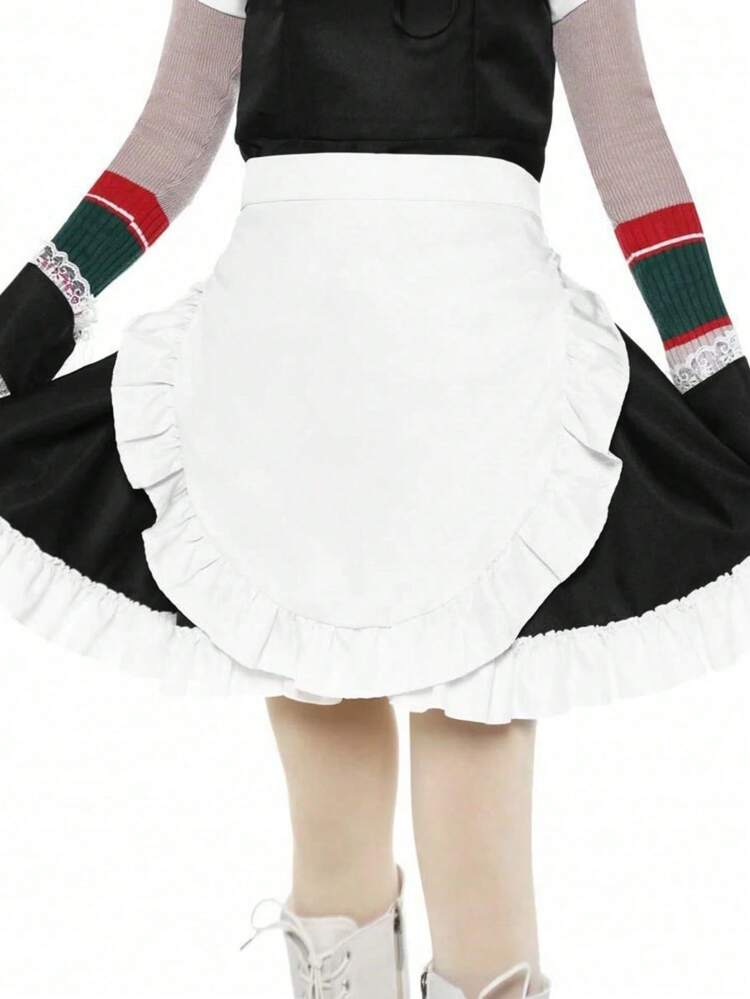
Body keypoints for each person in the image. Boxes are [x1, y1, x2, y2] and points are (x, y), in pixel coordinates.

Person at [1, 2, 749, 996]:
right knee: (318, 700)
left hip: (474, 345)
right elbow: (175, 132)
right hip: (295, 346)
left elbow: (630, 143)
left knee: (477, 713)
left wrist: (714, 372)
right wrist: (29, 320)